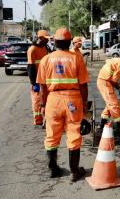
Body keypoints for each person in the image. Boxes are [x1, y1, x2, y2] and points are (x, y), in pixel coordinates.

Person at [37, 27, 89, 182]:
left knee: (51, 135)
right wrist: (84, 105)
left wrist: (42, 105)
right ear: (69, 42)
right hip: (73, 100)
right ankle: (75, 171)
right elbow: (83, 85)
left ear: (55, 42)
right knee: (74, 134)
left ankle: (53, 169)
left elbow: (42, 87)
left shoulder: (46, 59)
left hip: (52, 100)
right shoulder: (76, 58)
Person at [27, 30, 50, 126]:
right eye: (45, 39)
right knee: (37, 100)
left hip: (44, 78)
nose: (47, 41)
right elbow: (31, 67)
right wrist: (33, 83)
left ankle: (45, 117)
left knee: (45, 99)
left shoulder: (44, 48)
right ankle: (38, 119)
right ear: (40, 38)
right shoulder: (32, 49)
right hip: (36, 79)